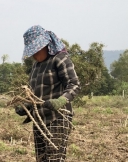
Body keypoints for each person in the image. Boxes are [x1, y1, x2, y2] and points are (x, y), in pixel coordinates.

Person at [16, 25, 81, 162]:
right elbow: (35, 94)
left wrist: (61, 101)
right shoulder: (36, 66)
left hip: (57, 118)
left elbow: (74, 84)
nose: (34, 55)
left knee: (54, 159)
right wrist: (27, 106)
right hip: (39, 121)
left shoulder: (60, 59)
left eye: (36, 50)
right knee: (41, 159)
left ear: (45, 45)